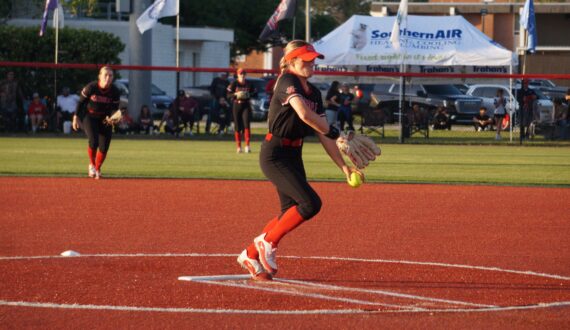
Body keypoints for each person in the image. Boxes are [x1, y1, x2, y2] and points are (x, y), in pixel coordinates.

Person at [236, 40, 361, 280]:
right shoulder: (287, 81)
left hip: (294, 154)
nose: (312, 63)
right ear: (292, 60)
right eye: (306, 59)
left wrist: (343, 166)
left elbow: (322, 132)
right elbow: (304, 114)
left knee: (289, 211)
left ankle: (251, 254)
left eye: (313, 59)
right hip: (275, 154)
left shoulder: (314, 92)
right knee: (310, 203)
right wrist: (335, 132)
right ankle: (268, 243)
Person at [72, 66, 121, 180]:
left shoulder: (114, 91)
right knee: (93, 141)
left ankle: (98, 168)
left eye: (110, 75)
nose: (108, 78)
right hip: (90, 116)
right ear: (99, 76)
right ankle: (92, 165)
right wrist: (75, 117)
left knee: (104, 147)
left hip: (105, 118)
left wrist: (115, 117)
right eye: (105, 75)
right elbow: (80, 103)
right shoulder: (91, 87)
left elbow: (114, 108)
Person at [227, 68, 256, 153]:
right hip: (237, 104)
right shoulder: (234, 83)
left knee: (246, 124)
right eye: (240, 74)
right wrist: (235, 94)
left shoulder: (249, 83)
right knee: (237, 126)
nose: (242, 75)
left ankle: (247, 146)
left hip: (246, 104)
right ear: (238, 75)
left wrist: (248, 94)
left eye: (243, 74)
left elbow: (255, 93)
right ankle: (239, 147)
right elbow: (228, 95)